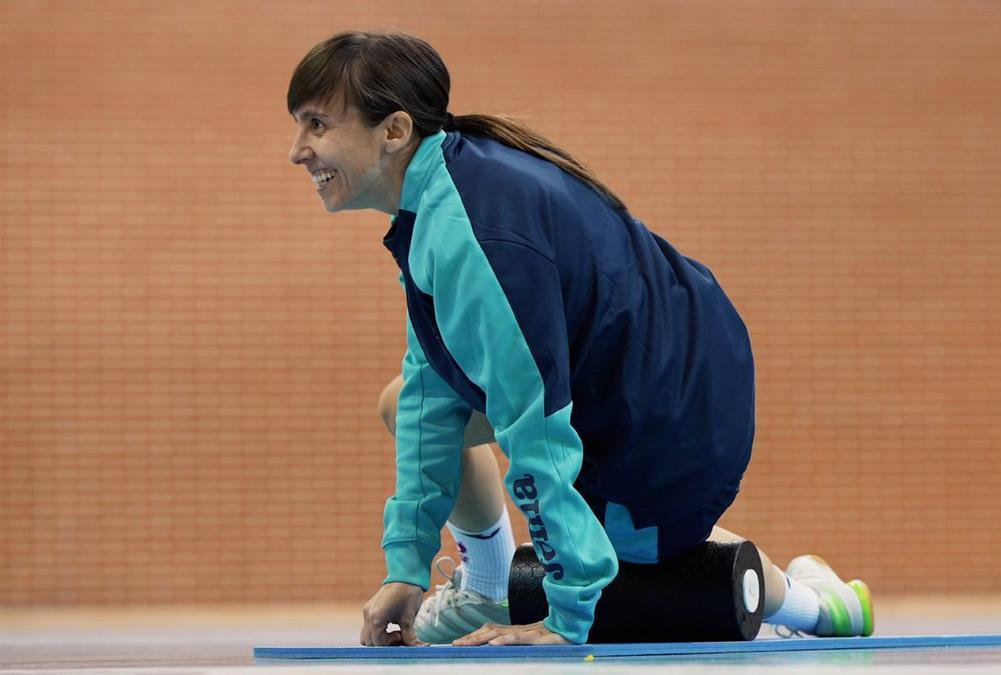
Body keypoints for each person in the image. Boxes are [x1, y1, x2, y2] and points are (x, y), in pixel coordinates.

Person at [286, 30, 874, 647]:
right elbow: (431, 397)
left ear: (395, 131)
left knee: (625, 557)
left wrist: (566, 620)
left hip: (678, 407)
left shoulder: (472, 232)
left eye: (317, 125)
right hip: (635, 377)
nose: (298, 151)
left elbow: (532, 425)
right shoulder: (439, 198)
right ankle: (488, 582)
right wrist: (404, 568)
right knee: (405, 402)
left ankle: (820, 608)